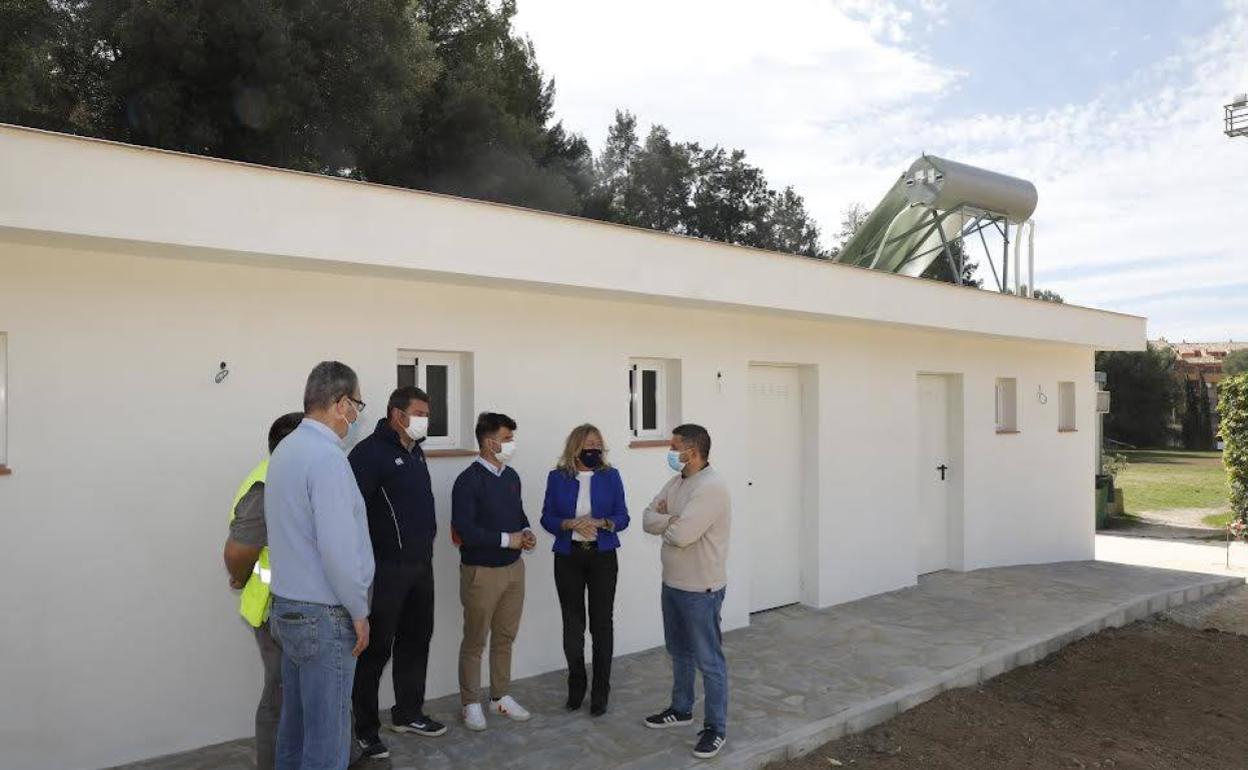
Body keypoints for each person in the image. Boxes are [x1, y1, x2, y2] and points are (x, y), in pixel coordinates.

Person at [265, 361, 376, 770]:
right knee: (327, 743)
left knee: (295, 734)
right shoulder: (328, 458)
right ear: (341, 403)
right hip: (324, 615)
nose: (357, 416)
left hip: (289, 608)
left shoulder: (287, 449)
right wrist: (359, 611)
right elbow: (338, 548)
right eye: (357, 406)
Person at [348, 386, 447, 759]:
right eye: (420, 413)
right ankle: (365, 730)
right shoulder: (369, 454)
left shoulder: (416, 451)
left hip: (421, 565)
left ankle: (408, 713)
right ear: (397, 414)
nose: (426, 420)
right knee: (375, 649)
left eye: (427, 413)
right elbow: (352, 513)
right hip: (386, 569)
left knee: (417, 639)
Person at [642, 424, 732, 760]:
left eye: (673, 446)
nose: (669, 452)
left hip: (701, 590)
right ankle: (681, 709)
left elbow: (682, 536)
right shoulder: (678, 482)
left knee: (709, 661)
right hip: (673, 584)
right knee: (679, 652)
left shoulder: (711, 488)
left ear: (691, 452)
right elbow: (647, 518)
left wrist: (670, 521)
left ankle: (716, 728)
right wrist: (674, 519)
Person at [223, 411, 304, 770]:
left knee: (318, 691)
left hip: (306, 605)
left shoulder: (298, 478)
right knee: (280, 694)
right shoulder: (266, 486)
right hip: (275, 611)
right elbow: (239, 552)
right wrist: (239, 578)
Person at [451, 411, 536, 731]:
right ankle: (470, 703)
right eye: (507, 438)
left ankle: (499, 696)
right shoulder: (467, 481)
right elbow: (465, 531)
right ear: (489, 443)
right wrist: (507, 539)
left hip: (514, 570)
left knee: (505, 637)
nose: (512, 444)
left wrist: (525, 532)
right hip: (481, 573)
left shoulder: (511, 476)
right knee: (475, 641)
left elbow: (518, 514)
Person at [539, 424, 629, 716]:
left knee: (602, 625)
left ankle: (601, 692)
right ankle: (576, 686)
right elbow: (547, 517)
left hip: (603, 557)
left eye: (598, 444)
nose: (595, 449)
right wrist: (569, 524)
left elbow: (623, 516)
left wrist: (601, 523)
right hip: (569, 558)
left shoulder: (611, 476)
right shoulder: (557, 477)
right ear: (575, 447)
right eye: (589, 444)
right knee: (573, 625)